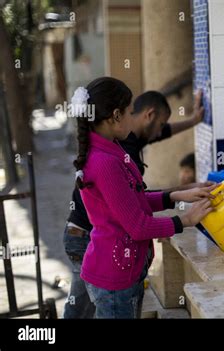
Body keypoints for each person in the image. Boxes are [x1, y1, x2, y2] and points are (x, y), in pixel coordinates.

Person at [63, 78, 213, 318]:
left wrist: (175, 196)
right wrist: (185, 220)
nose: (133, 118)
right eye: (130, 111)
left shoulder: (112, 148)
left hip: (121, 272)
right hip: (113, 278)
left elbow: (133, 199)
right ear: (115, 116)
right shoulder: (105, 162)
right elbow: (138, 226)